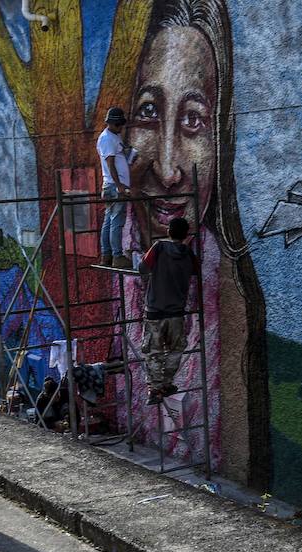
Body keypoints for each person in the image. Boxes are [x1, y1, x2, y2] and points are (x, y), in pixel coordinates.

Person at [113, 0, 270, 479]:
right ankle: (161, 383)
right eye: (148, 112)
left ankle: (158, 383)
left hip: (160, 315)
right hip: (174, 316)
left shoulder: (229, 293)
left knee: (158, 349)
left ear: (221, 135)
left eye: (194, 119)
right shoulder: (144, 257)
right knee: (169, 347)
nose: (167, 169)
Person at [138, 217, 199, 405]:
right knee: (175, 350)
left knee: (153, 351)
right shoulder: (189, 254)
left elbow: (142, 268)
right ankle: (166, 383)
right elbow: (195, 271)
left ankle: (155, 389)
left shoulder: (159, 247)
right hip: (176, 313)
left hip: (155, 311)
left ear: (168, 231)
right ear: (185, 235)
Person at [97, 107, 133, 269]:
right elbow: (110, 164)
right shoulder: (107, 139)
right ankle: (117, 256)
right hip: (114, 186)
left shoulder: (113, 137)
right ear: (111, 123)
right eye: (118, 125)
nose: (120, 128)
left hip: (112, 185)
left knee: (109, 220)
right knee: (116, 221)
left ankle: (107, 255)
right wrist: (119, 185)